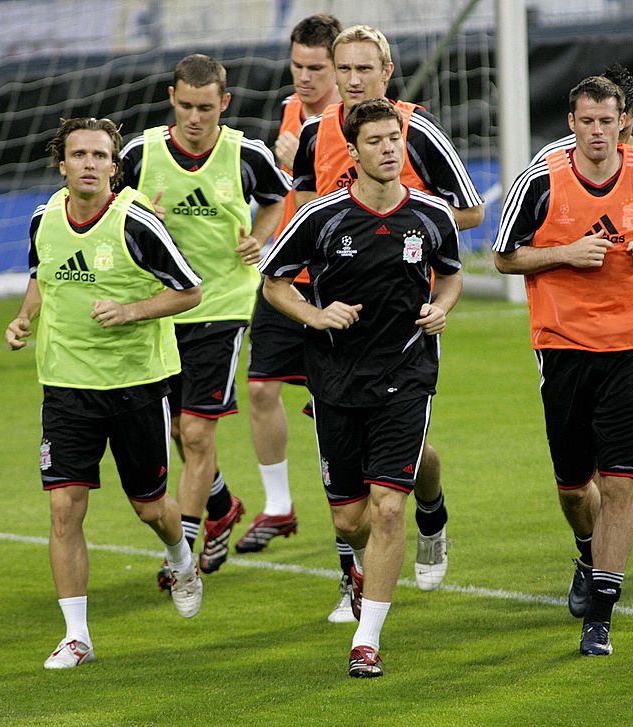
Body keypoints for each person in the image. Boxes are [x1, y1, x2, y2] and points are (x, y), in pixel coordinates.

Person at [260, 99, 463, 677]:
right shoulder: (320, 217)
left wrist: (441, 308)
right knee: (350, 521)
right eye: (375, 141)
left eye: (394, 139)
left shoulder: (430, 215)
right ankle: (385, 543)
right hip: (336, 378)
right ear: (353, 151)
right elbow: (275, 285)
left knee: (388, 506)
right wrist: (316, 316)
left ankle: (367, 640)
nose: (389, 149)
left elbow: (450, 274)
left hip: (407, 371)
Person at [493, 75, 633, 656]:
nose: (598, 132)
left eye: (608, 121)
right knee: (576, 488)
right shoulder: (541, 175)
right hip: (562, 344)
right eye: (587, 121)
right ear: (571, 122)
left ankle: (600, 616)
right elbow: (505, 256)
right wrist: (564, 254)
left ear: (624, 120)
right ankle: (587, 550)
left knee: (620, 481)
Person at [291, 24, 485, 594]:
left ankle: (432, 512)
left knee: (407, 456)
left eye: (363, 69)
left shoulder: (412, 129)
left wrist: (405, 222)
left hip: (403, 322)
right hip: (333, 321)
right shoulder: (313, 133)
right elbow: (306, 208)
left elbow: (467, 212)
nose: (352, 80)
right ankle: (354, 577)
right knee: (344, 474)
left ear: (386, 72)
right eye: (343, 69)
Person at [5, 117, 205, 668]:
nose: (89, 164)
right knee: (64, 507)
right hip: (66, 387)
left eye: (100, 156)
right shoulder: (43, 218)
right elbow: (41, 275)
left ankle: (180, 556)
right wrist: (24, 318)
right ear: (61, 163)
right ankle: (77, 636)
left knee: (149, 508)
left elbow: (190, 292)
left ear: (114, 167)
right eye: (79, 155)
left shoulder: (137, 224)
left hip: (135, 385)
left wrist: (131, 310)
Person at [119, 54, 290, 582]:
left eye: (207, 108)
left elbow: (277, 200)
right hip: (160, 307)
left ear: (225, 103)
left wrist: (259, 239)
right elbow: (107, 205)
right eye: (187, 106)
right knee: (174, 430)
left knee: (195, 432)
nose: (196, 118)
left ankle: (186, 552)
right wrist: (142, 215)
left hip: (221, 306)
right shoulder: (140, 153)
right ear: (171, 98)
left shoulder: (246, 153)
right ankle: (222, 507)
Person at [236, 13, 357, 624]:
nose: (306, 78)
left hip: (341, 290)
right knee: (258, 388)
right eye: (298, 67)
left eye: (318, 68)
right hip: (288, 283)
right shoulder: (289, 115)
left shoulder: (363, 126)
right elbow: (283, 196)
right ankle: (279, 506)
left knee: (339, 432)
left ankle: (354, 579)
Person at [529, 63, 633, 219]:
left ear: (632, 116)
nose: (610, 139)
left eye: (610, 124)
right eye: (591, 121)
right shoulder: (549, 160)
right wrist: (567, 249)